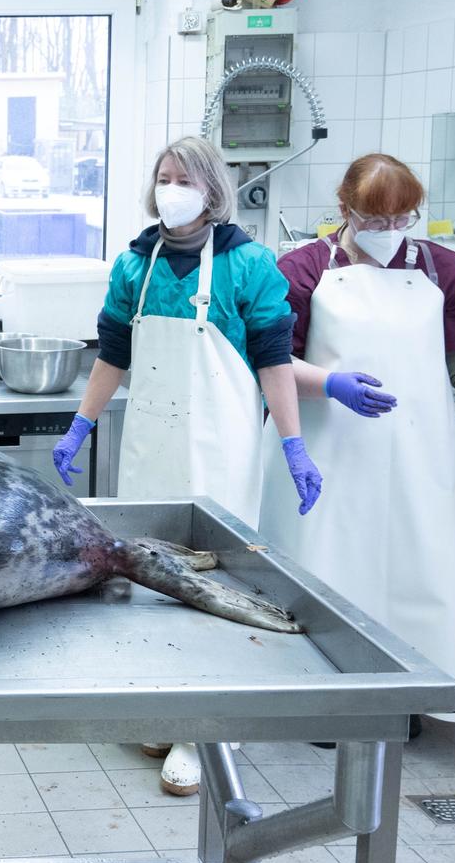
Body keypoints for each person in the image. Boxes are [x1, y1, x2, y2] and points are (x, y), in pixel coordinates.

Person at [48, 136, 320, 797]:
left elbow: (274, 364)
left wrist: (293, 442)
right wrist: (81, 424)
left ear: (212, 189)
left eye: (185, 178)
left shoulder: (249, 265)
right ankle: (163, 707)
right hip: (150, 454)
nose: (172, 188)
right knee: (148, 582)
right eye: (163, 176)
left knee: (214, 595)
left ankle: (207, 734)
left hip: (220, 459)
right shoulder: (135, 265)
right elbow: (113, 354)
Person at [260, 153, 455, 730]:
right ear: (344, 210)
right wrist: (330, 385)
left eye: (402, 219)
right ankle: (324, 707)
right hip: (327, 452)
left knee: (422, 571)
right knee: (331, 572)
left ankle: (404, 698)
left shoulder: (443, 270)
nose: (389, 233)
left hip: (421, 456)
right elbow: (272, 362)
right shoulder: (304, 268)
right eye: (375, 220)